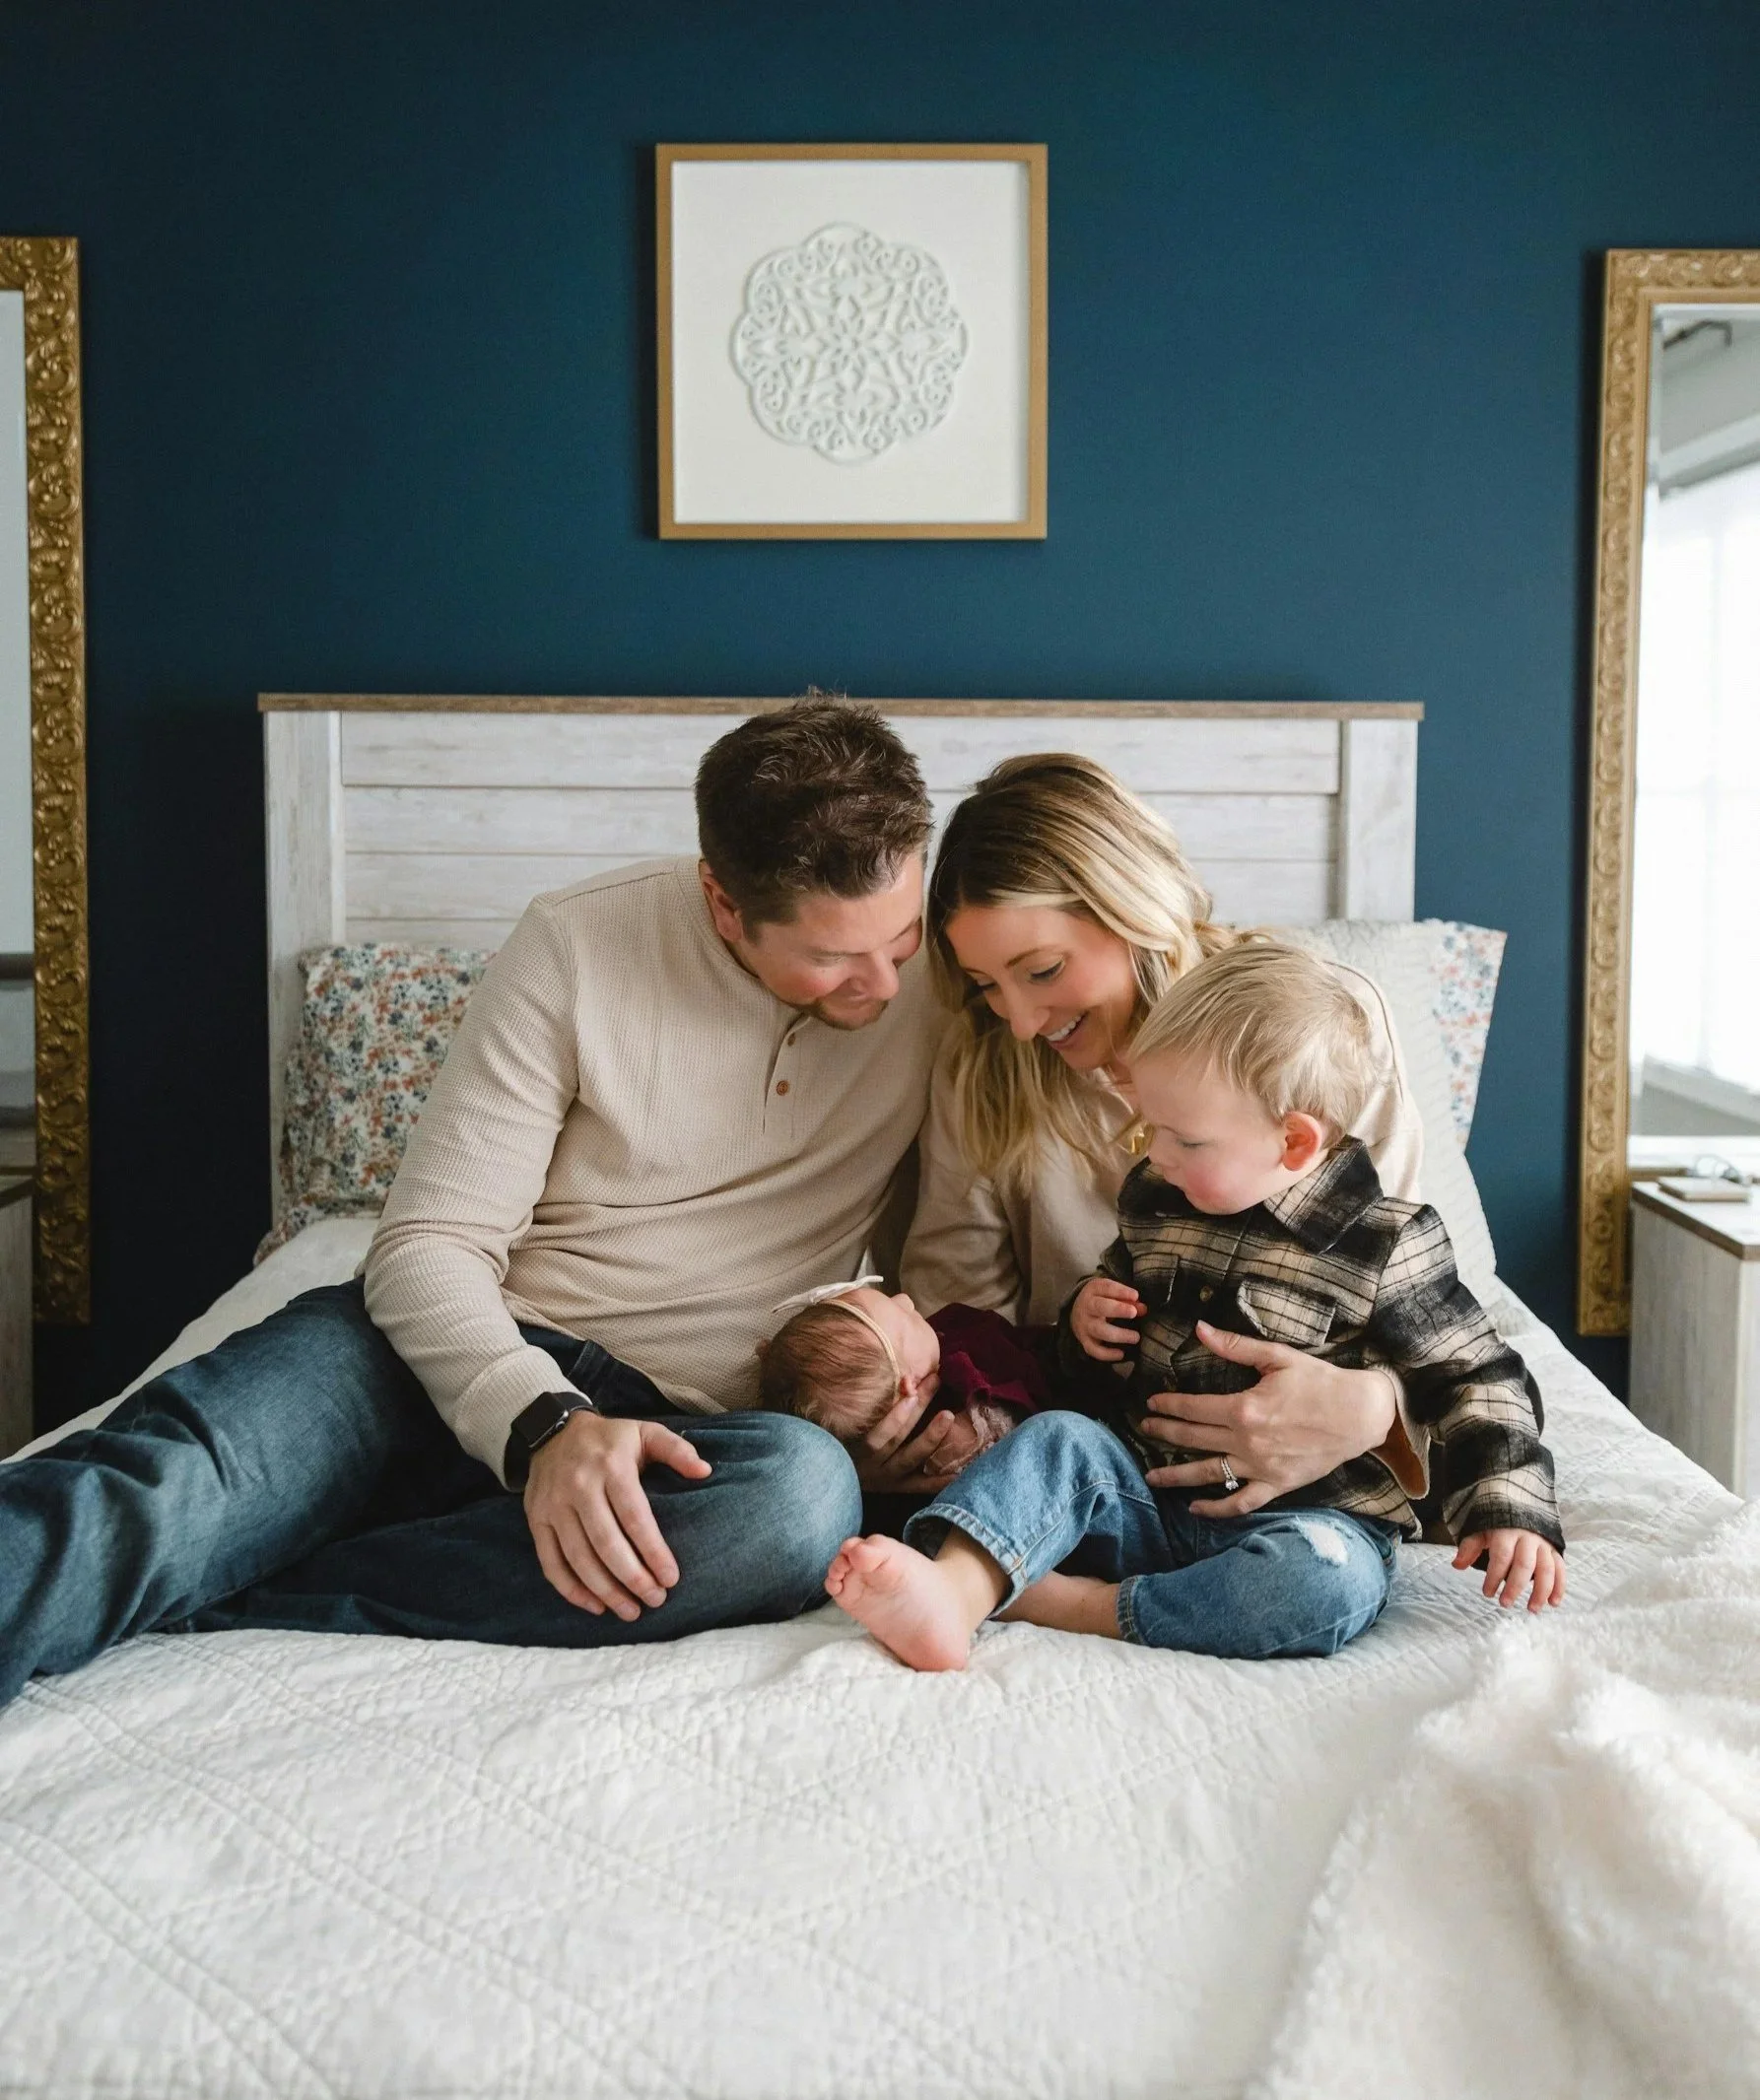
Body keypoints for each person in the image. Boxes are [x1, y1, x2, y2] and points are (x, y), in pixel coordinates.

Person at [0, 701, 988, 1709]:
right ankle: (225, 1535)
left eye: (901, 938)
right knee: (159, 1488)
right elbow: (428, 1244)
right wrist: (543, 1424)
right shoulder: (577, 940)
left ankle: (251, 1580)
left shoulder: (951, 979)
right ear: (723, 903)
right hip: (436, 1355)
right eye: (831, 957)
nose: (882, 983)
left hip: (681, 1430)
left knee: (797, 1500)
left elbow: (966, 1247)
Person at [828, 941, 1566, 1671]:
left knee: (1328, 1579)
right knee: (1056, 1440)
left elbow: (1478, 1378)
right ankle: (954, 1591)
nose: (1159, 1155)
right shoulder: (1157, 1201)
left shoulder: (1387, 1242)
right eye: (1152, 1129)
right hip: (1139, 1490)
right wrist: (1085, 1323)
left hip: (1299, 1516)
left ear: (1295, 1139)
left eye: (1186, 1138)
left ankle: (1073, 1605)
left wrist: (1510, 1510)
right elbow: (1091, 1367)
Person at [902, 751, 1433, 1521]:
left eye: (1043, 969)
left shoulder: (1319, 1024)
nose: (1017, 1021)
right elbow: (965, 1318)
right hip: (1101, 1451)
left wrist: (1370, 1406)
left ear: (1132, 907)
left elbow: (1408, 1294)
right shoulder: (984, 1072)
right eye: (987, 985)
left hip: (1308, 1459)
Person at [757, 1274, 1051, 1455]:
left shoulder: (943, 1336)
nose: (906, 1299)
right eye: (904, 1320)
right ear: (909, 1385)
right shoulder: (960, 1411)